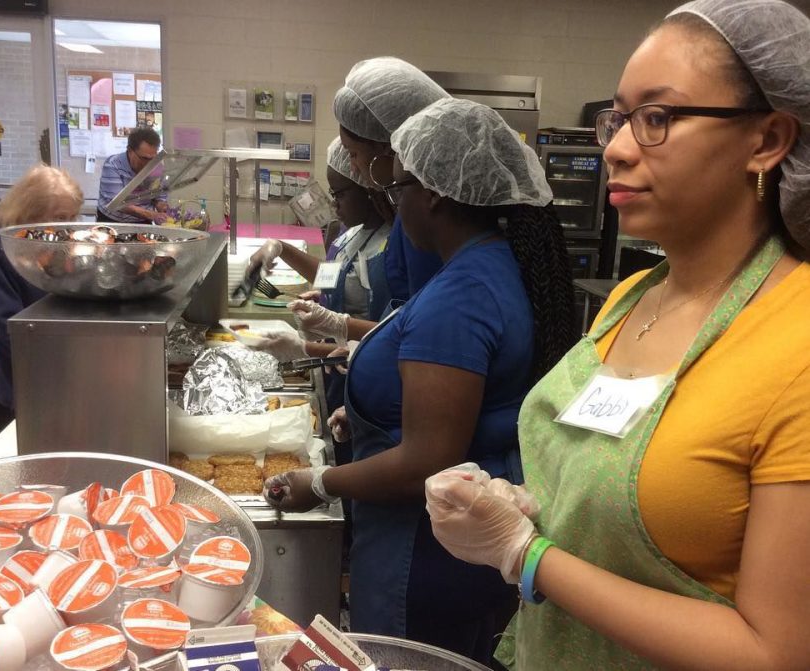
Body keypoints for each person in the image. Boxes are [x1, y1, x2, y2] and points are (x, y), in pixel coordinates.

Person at [424, 2, 810, 669]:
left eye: (657, 118)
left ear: (768, 140)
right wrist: (527, 506)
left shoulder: (795, 340)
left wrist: (527, 553)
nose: (617, 148)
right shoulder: (633, 298)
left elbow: (774, 652)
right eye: (620, 118)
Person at [263, 98, 576, 663]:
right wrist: (365, 414)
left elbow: (428, 458)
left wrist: (321, 483)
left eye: (398, 190)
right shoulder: (488, 264)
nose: (395, 207)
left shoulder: (460, 295)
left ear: (431, 193)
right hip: (449, 540)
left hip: (422, 551)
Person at [248, 137, 393, 332]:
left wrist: (336, 325)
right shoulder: (351, 232)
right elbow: (331, 276)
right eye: (332, 195)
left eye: (339, 195)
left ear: (366, 188)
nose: (334, 204)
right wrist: (325, 294)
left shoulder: (390, 246)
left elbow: (394, 333)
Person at [334, 56, 448, 302]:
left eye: (353, 154)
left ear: (389, 148)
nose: (352, 169)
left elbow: (416, 322)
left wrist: (339, 327)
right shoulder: (408, 214)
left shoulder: (424, 221)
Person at [0, 166, 83, 409]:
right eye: (60, 217)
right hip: (30, 372)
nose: (67, 227)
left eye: (73, 217)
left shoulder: (56, 239)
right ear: (31, 212)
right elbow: (3, 325)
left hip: (72, 363)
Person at [96, 127, 167, 224]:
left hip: (143, 221)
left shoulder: (157, 166)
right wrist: (153, 215)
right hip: (112, 221)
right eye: (144, 158)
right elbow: (117, 203)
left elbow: (159, 195)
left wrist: (161, 206)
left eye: (153, 158)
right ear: (130, 150)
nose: (149, 164)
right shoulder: (113, 164)